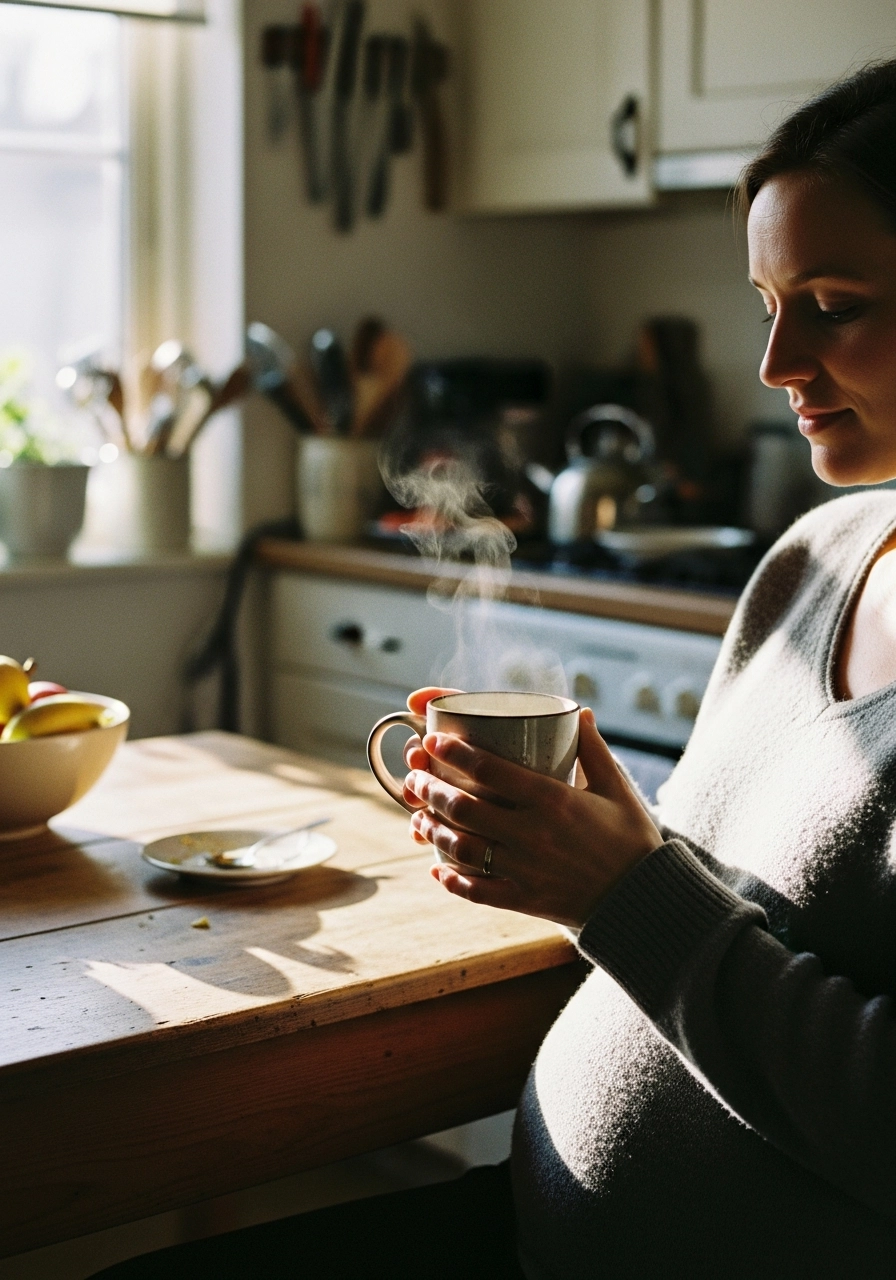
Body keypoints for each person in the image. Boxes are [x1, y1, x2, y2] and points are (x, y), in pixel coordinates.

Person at [93, 58, 896, 1280]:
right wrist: (612, 840)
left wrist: (619, 890)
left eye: (832, 303)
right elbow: (727, 912)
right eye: (765, 301)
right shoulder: (811, 557)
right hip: (537, 1221)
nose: (775, 361)